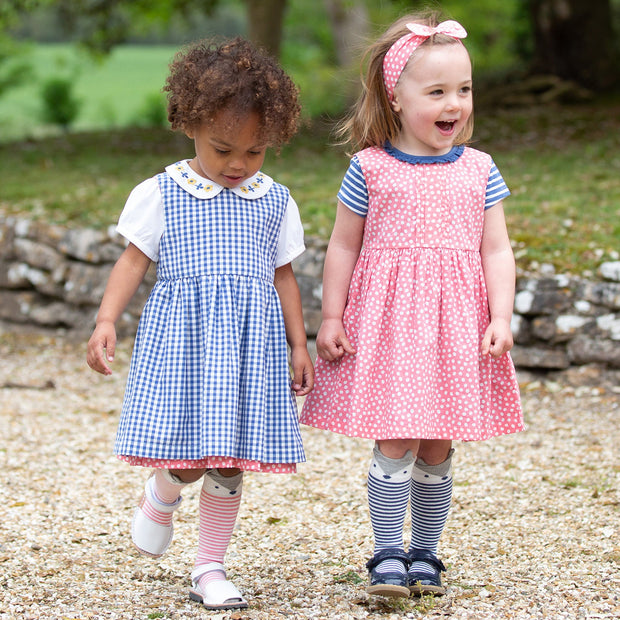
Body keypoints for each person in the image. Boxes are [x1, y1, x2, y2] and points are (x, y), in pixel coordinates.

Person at [300, 12, 524, 599]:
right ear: (395, 97)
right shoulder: (371, 168)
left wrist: (501, 315)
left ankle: (425, 552)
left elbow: (496, 249)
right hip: (391, 325)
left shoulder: (478, 169)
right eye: (438, 92)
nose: (456, 104)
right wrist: (331, 316)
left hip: (457, 325)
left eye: (465, 89)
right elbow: (343, 245)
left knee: (438, 442)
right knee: (396, 436)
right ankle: (386, 554)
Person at [87, 37, 314, 611]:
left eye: (255, 152)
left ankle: (209, 566)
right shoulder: (163, 192)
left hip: (248, 348)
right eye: (223, 149)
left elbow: (284, 276)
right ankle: (164, 489)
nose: (239, 165)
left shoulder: (274, 201)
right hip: (187, 346)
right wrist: (106, 320)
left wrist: (298, 344)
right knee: (189, 458)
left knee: (230, 459)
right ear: (190, 124)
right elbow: (133, 260)